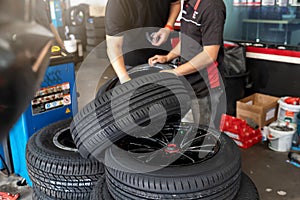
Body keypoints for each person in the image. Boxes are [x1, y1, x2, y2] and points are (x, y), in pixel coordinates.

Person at [148, 0, 226, 128]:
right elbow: (188, 39)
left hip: (205, 86)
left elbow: (209, 55)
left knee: (204, 133)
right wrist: (168, 56)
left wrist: (174, 72)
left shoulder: (212, 7)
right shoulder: (188, 3)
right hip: (189, 81)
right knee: (189, 129)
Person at [105, 0, 181, 83]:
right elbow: (114, 46)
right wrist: (124, 78)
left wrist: (168, 26)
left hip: (162, 57)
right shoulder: (118, 3)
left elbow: (175, 3)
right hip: (131, 61)